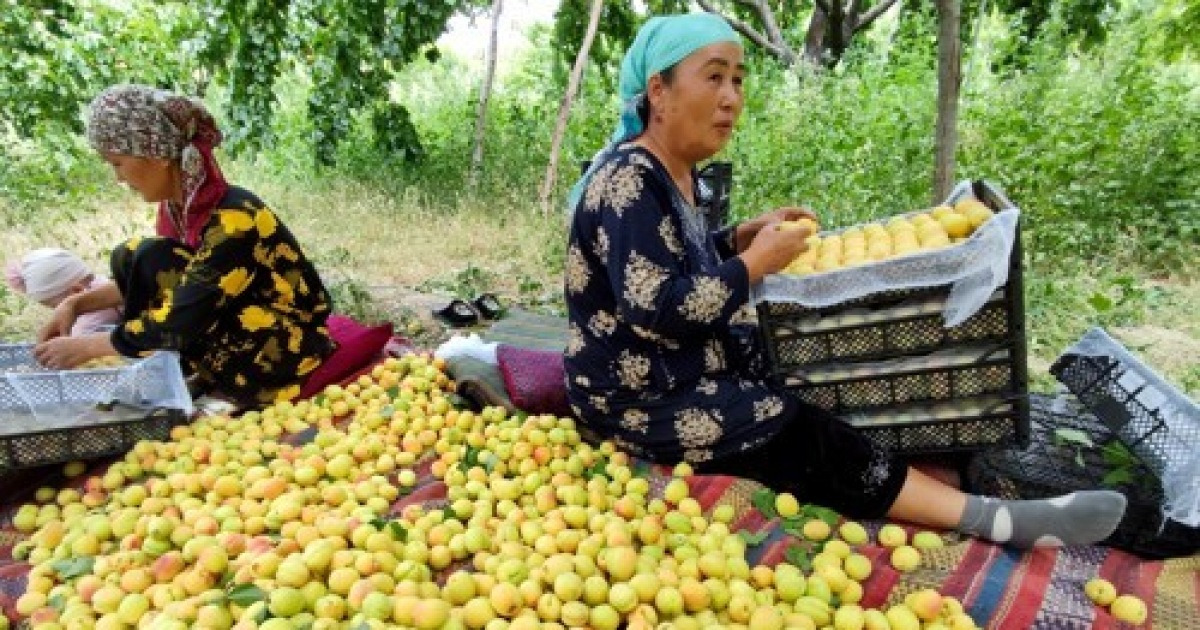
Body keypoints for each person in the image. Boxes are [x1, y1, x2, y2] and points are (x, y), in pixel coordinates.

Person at [563, 13, 1127, 548]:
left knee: (802, 363)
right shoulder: (627, 181)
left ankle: (896, 459)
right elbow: (654, 306)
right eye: (713, 77)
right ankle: (989, 518)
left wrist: (737, 239)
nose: (732, 97)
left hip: (683, 362)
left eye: (738, 78)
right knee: (781, 421)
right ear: (658, 92)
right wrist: (755, 264)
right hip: (636, 395)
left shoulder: (676, 173)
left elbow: (676, 258)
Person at [34, 84, 335, 408]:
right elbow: (176, 281)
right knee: (135, 256)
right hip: (242, 333)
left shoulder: (235, 221)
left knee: (149, 257)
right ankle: (191, 372)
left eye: (118, 163)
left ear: (157, 155)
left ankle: (213, 382)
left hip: (286, 351)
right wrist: (76, 305)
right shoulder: (180, 209)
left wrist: (88, 347)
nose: (118, 179)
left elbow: (181, 316)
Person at [5, 248, 122, 336]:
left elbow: (77, 339)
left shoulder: (94, 312)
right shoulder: (102, 283)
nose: (58, 312)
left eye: (57, 307)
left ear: (77, 292)